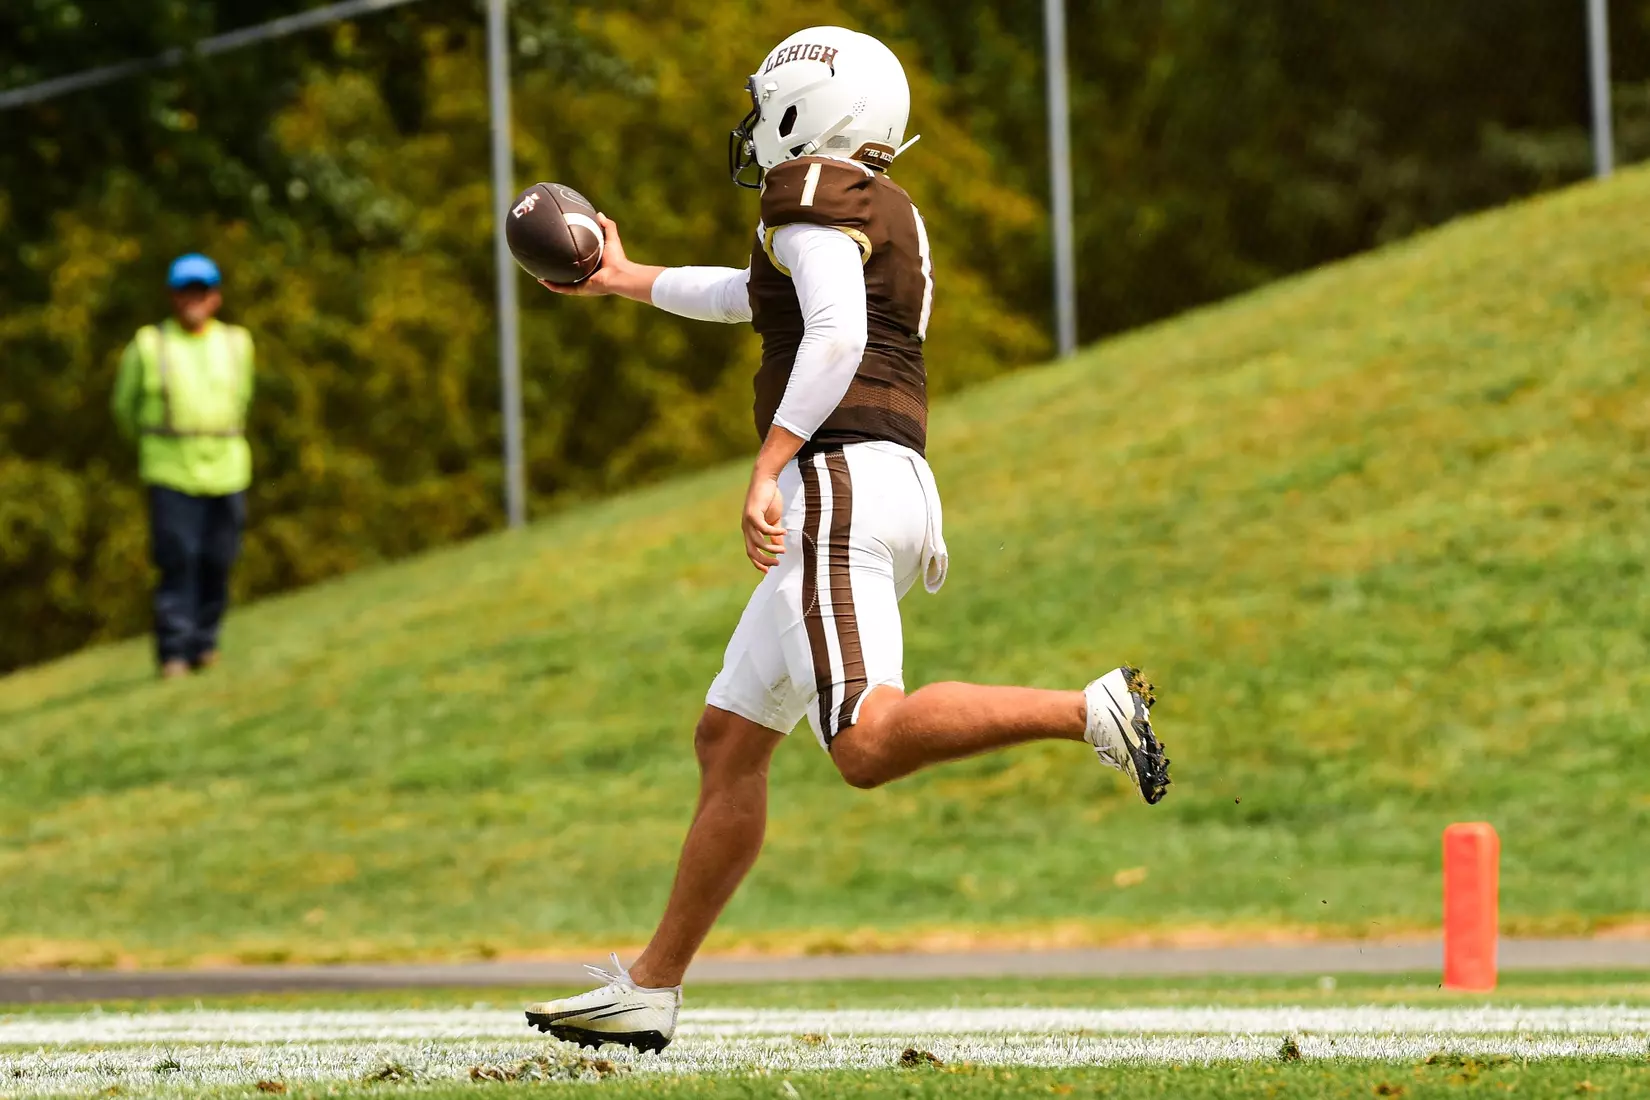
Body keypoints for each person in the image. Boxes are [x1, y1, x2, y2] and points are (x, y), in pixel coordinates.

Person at [523, 26, 1173, 1053]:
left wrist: (769, 461)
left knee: (865, 738)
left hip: (836, 482)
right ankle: (651, 984)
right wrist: (623, 276)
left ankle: (1086, 709)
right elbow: (758, 301)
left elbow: (836, 336)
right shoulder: (872, 211)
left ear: (806, 109)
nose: (751, 124)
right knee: (729, 739)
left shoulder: (811, 194)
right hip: (891, 480)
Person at [111, 253, 255, 679]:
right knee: (178, 560)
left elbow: (244, 398)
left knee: (219, 558)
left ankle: (205, 644)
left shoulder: (237, 343)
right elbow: (124, 409)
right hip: (170, 471)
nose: (193, 299)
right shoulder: (149, 344)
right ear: (173, 297)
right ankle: (174, 653)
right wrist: (153, 450)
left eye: (201, 290)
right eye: (185, 291)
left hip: (228, 468)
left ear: (216, 297)